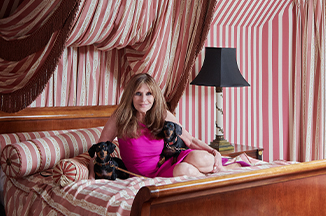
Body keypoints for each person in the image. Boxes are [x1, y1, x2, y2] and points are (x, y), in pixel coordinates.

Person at [89, 73, 225, 180]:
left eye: (149, 94)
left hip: (169, 161)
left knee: (203, 158)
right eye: (138, 94)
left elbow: (191, 141)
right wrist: (90, 176)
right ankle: (213, 184)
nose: (144, 100)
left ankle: (222, 171)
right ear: (130, 96)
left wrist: (215, 152)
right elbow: (100, 152)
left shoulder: (163, 114)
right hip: (146, 175)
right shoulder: (119, 118)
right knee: (184, 170)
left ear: (155, 96)